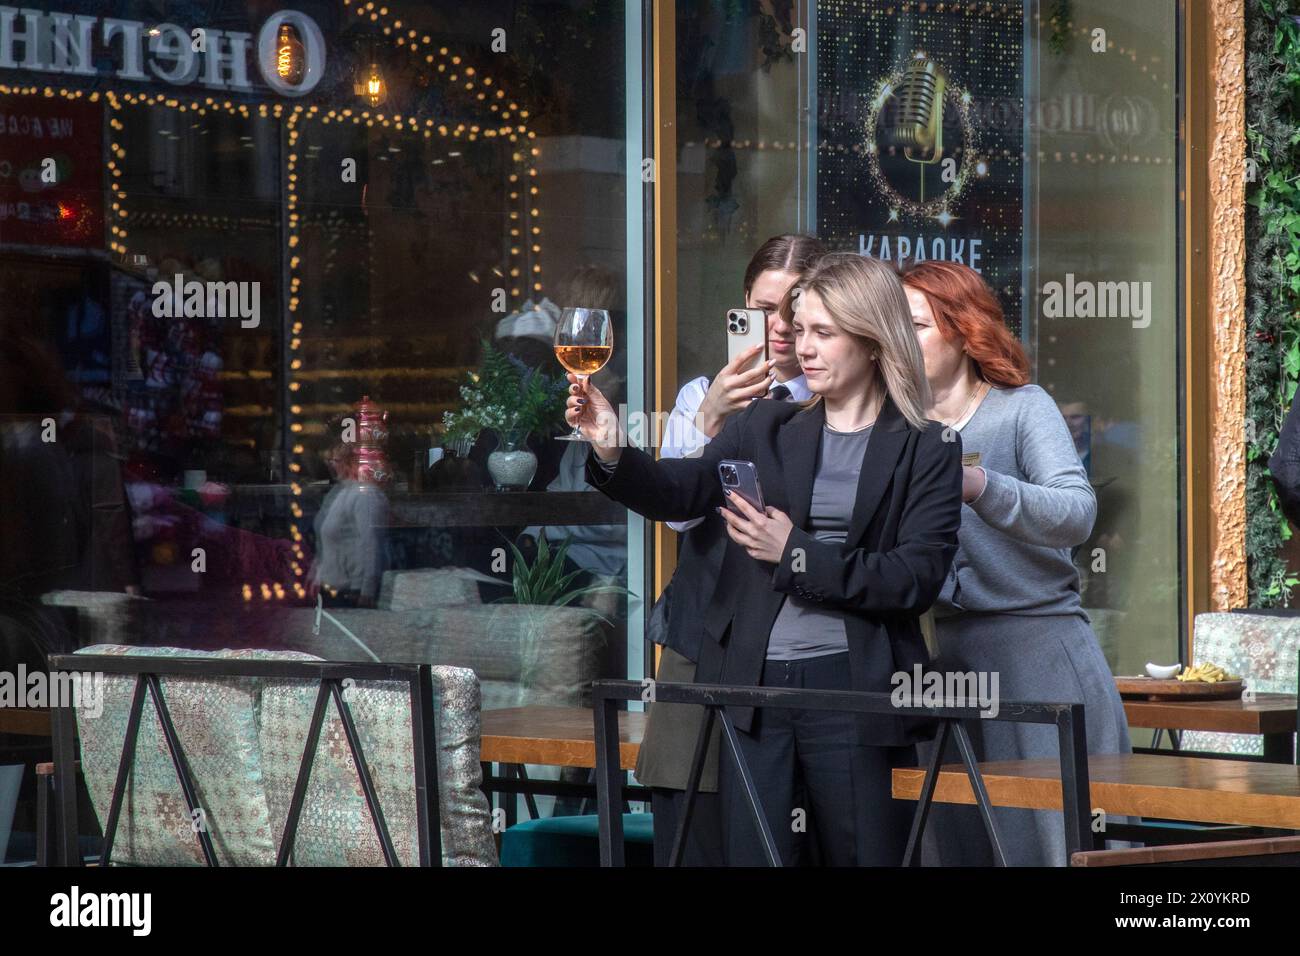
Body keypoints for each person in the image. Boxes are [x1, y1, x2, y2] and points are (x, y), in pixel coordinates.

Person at [569, 253, 963, 866]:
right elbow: (684, 490)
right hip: (750, 685)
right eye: (799, 329)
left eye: (822, 333)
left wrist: (796, 553)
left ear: (873, 338)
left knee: (866, 855)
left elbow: (915, 579)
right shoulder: (767, 422)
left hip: (854, 690)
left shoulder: (928, 446)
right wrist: (614, 451)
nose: (802, 347)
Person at [898, 259, 1132, 867]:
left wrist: (980, 485)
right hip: (943, 666)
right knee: (957, 845)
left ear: (962, 328)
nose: (901, 338)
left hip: (1039, 655)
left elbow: (1077, 513)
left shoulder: (1022, 407)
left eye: (916, 324)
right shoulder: (895, 425)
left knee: (1062, 844)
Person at [643, 233, 824, 866]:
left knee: (783, 825)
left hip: (794, 639)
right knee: (687, 812)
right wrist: (709, 421)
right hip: (701, 631)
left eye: (795, 310)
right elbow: (679, 519)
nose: (779, 327)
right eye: (763, 308)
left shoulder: (844, 403)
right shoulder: (701, 395)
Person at [309, 442, 387, 607]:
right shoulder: (341, 492)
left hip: (350, 591)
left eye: (336, 461)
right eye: (331, 461)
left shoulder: (365, 495)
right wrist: (316, 575)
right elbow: (326, 540)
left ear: (352, 464)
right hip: (331, 587)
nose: (332, 466)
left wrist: (367, 590)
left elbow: (370, 544)